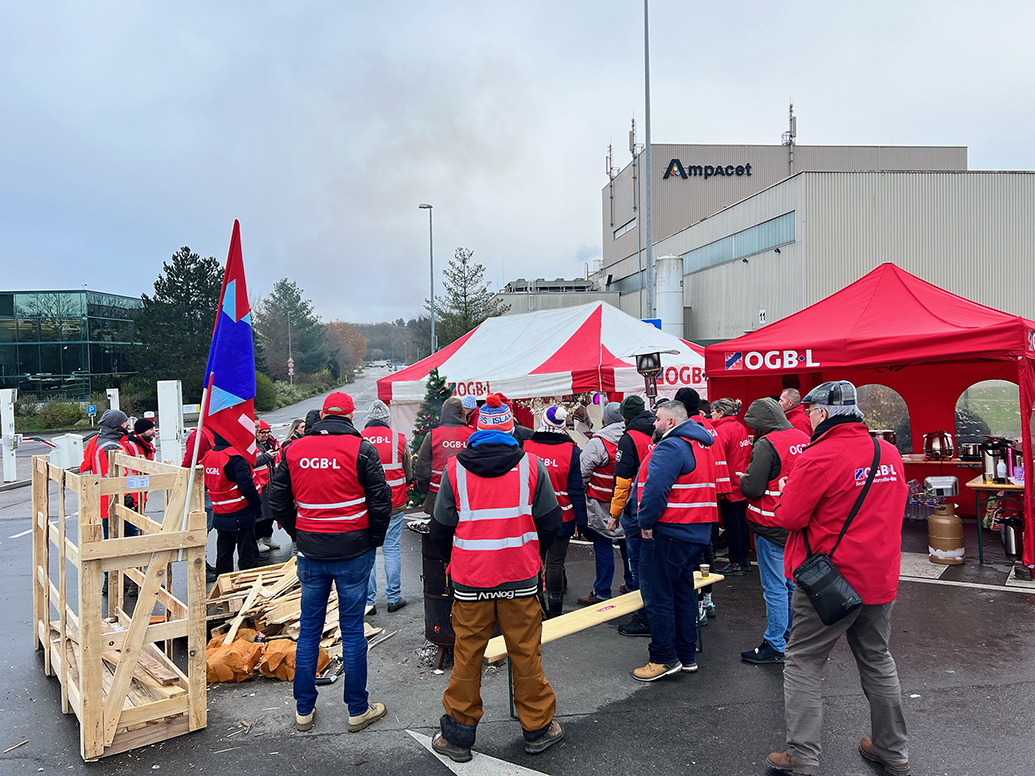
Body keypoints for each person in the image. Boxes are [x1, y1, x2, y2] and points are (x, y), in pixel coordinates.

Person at [766, 381, 909, 776]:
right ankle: (893, 750)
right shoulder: (888, 452)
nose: (808, 419)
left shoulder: (819, 456)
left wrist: (784, 493)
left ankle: (802, 755)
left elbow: (789, 517)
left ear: (823, 413)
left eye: (810, 412)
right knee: (877, 658)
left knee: (803, 661)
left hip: (828, 580)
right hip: (879, 574)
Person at [429, 395, 564, 762]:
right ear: (510, 428)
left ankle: (457, 736)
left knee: (467, 656)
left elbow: (439, 528)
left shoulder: (455, 470)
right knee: (525, 653)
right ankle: (538, 729)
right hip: (519, 577)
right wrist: (532, 552)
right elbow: (551, 522)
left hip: (471, 580)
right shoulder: (532, 466)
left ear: (478, 429)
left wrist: (454, 558)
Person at [269, 391, 392, 735]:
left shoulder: (294, 450)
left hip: (312, 551)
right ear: (350, 417)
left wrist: (298, 534)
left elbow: (277, 500)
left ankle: (303, 710)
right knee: (352, 631)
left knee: (309, 630)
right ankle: (357, 710)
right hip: (353, 550)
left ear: (323, 415)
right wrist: (374, 540)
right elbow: (380, 501)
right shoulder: (362, 449)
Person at [629, 400, 715, 681]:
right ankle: (685, 655)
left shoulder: (671, 447)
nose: (653, 424)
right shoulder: (700, 445)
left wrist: (645, 522)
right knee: (682, 593)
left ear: (670, 422)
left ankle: (663, 658)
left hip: (668, 532)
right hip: (694, 531)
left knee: (658, 597)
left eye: (657, 419)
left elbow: (655, 490)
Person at [738, 398, 810, 665]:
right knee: (791, 584)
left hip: (770, 524)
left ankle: (775, 643)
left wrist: (743, 480)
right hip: (797, 523)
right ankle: (791, 636)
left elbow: (753, 487)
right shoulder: (803, 437)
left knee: (774, 587)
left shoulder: (766, 444)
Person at [523, 405, 587, 617]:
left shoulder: (527, 447)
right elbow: (576, 489)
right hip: (562, 515)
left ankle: (537, 604)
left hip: (532, 514)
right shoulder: (572, 451)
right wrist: (582, 520)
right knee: (555, 563)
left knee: (535, 559)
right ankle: (555, 608)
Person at [609, 394, 656, 637]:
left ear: (625, 416)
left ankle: (644, 617)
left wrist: (614, 513)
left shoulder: (629, 439)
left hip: (636, 509)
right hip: (659, 507)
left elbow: (622, 481)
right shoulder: (659, 431)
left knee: (638, 566)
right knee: (656, 565)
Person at [578, 401, 633, 604]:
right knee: (628, 544)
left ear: (606, 419)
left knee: (603, 544)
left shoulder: (598, 442)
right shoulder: (633, 437)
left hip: (601, 502)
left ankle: (602, 591)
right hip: (627, 501)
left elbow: (583, 472)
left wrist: (583, 491)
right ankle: (632, 584)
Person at [362, 399, 413, 614]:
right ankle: (393, 597)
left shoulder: (359, 438)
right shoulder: (398, 439)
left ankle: (369, 602)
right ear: (387, 419)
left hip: (367, 504)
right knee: (391, 548)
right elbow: (408, 471)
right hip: (394, 501)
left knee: (368, 551)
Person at [708, 398, 752, 619]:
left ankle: (736, 561)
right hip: (741, 481)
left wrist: (720, 487)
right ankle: (742, 559)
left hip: (730, 485)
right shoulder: (739, 427)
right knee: (740, 523)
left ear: (719, 411)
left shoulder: (722, 431)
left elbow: (719, 460)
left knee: (733, 525)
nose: (711, 415)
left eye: (713, 411)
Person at [203, 433, 262, 577]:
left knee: (224, 555)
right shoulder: (235, 457)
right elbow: (247, 486)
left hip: (219, 512)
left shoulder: (208, 456)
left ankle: (222, 586)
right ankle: (247, 586)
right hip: (240, 511)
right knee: (248, 555)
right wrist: (257, 505)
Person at [415, 397, 474, 516]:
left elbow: (422, 466)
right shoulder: (472, 436)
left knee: (437, 526)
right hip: (466, 495)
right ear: (462, 413)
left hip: (437, 494)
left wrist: (426, 490)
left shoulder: (433, 435)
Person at [182, 424, 218, 581]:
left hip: (206, 486)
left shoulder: (208, 434)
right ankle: (198, 565)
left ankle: (202, 562)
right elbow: (189, 463)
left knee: (206, 527)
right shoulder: (200, 436)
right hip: (200, 488)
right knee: (201, 528)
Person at [253, 420, 281, 555]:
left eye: (267, 432)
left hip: (269, 483)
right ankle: (258, 540)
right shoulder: (252, 446)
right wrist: (267, 457)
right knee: (261, 514)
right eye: (262, 432)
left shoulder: (270, 444)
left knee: (270, 514)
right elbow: (252, 462)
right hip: (258, 484)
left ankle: (267, 537)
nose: (265, 435)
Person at [122, 418, 157, 513]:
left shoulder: (148, 445)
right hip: (131, 489)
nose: (153, 432)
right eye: (150, 429)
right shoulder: (129, 445)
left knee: (140, 514)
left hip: (142, 486)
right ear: (142, 431)